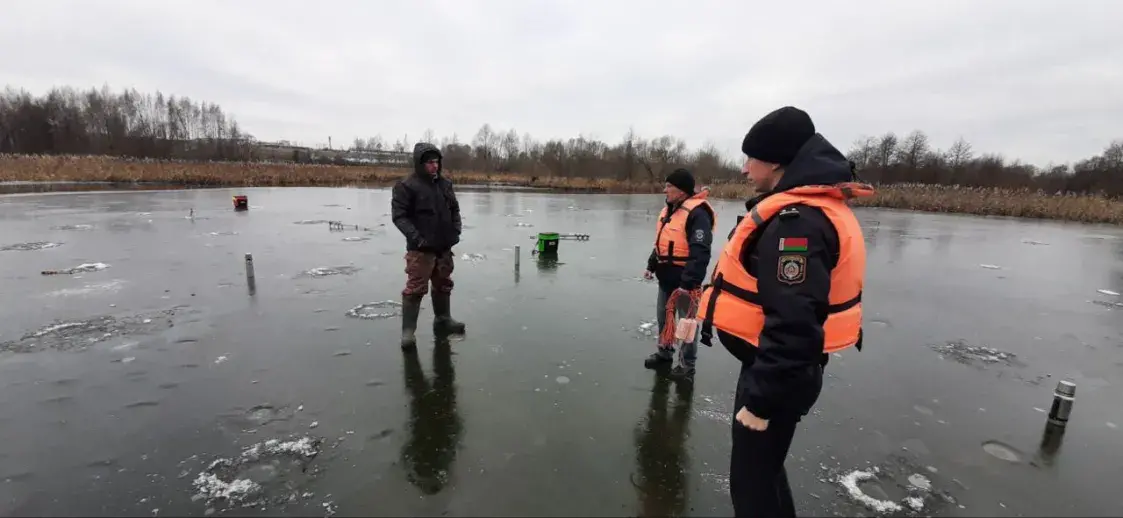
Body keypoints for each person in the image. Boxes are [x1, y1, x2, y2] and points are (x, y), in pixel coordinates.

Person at [695, 106, 874, 517]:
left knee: (752, 486)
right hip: (772, 368)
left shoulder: (797, 224)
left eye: (750, 158)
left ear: (774, 161)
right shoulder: (802, 209)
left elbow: (795, 326)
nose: (744, 169)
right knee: (766, 475)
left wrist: (761, 403)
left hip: (776, 374)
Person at [391, 142, 466, 349]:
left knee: (443, 283)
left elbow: (455, 210)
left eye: (436, 162)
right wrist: (417, 238)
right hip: (420, 249)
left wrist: (455, 231)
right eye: (430, 163)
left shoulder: (445, 185)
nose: (434, 166)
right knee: (415, 289)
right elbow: (399, 217)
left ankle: (443, 319)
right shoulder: (406, 186)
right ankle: (408, 332)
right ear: (420, 164)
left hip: (444, 246)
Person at [643, 168, 715, 379]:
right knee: (664, 320)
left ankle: (687, 366)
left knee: (686, 325)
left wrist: (688, 282)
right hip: (666, 279)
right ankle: (664, 353)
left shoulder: (698, 214)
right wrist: (651, 265)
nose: (665, 190)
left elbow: (700, 252)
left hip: (685, 282)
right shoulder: (670, 211)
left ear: (682, 191)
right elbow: (662, 244)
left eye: (669, 186)